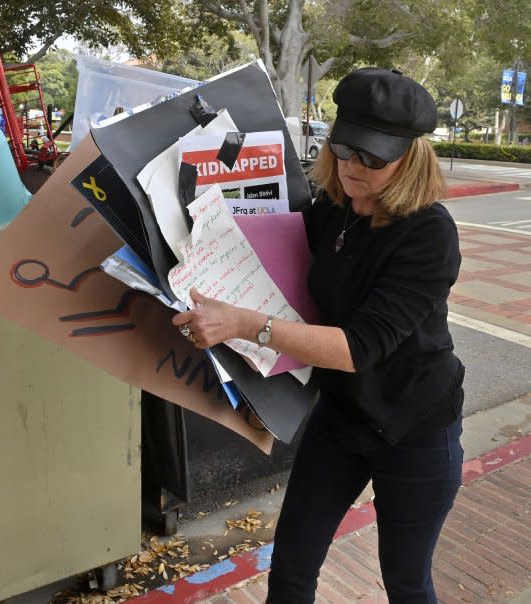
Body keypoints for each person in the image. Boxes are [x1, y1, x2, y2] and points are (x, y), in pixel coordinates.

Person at [172, 67, 464, 603]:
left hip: (415, 425)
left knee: (406, 582)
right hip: (341, 417)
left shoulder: (429, 234)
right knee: (291, 569)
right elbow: (263, 255)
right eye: (346, 148)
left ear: (410, 157)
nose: (355, 167)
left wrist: (243, 325)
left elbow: (358, 348)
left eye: (374, 158)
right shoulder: (332, 209)